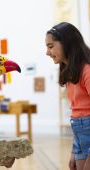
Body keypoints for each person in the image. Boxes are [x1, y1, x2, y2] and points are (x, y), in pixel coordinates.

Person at [45, 22, 90, 170]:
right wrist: (74, 150)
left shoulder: (87, 71)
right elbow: (77, 114)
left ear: (67, 43)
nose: (47, 52)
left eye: (51, 46)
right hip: (79, 134)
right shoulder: (70, 72)